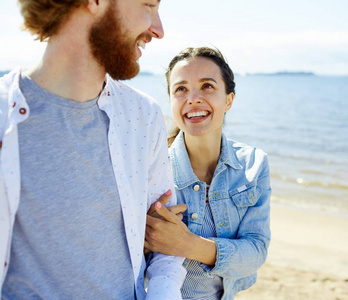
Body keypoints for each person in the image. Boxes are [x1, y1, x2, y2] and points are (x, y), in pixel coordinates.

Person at [0, 0, 186, 299]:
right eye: (149, 5)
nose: (159, 30)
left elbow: (166, 241)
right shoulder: (3, 118)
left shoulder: (143, 116)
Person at [145, 47, 271, 299]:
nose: (193, 98)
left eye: (207, 86)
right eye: (180, 89)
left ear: (228, 100)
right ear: (171, 102)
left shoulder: (253, 164)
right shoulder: (153, 169)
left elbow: (255, 252)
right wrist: (145, 235)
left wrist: (188, 245)